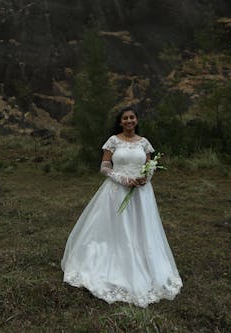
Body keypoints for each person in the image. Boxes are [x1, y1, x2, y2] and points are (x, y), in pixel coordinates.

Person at [61, 107, 182, 307]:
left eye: (132, 117)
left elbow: (149, 166)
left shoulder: (144, 142)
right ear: (120, 122)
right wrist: (123, 179)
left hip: (141, 194)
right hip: (116, 191)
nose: (128, 120)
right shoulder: (113, 141)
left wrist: (146, 178)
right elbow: (104, 167)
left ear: (136, 120)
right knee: (115, 228)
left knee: (141, 228)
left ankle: (145, 262)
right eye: (125, 118)